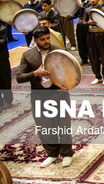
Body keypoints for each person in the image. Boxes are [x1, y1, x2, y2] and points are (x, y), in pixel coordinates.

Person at [16, 26, 74, 168]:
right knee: (44, 126)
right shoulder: (28, 56)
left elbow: (70, 69)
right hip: (39, 95)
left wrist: (67, 84)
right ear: (35, 41)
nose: (46, 41)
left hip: (58, 93)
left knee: (63, 124)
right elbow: (19, 77)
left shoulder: (59, 51)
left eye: (47, 38)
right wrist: (35, 73)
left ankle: (67, 154)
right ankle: (52, 154)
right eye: (42, 40)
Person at [84, 0, 104, 85]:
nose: (93, 1)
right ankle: (97, 76)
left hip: (102, 35)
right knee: (93, 57)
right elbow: (83, 21)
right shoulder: (87, 10)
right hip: (91, 35)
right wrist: (88, 23)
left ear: (98, 0)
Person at [0, 17, 12, 109]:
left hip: (2, 59)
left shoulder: (3, 29)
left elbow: (2, 42)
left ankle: (8, 100)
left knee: (5, 81)